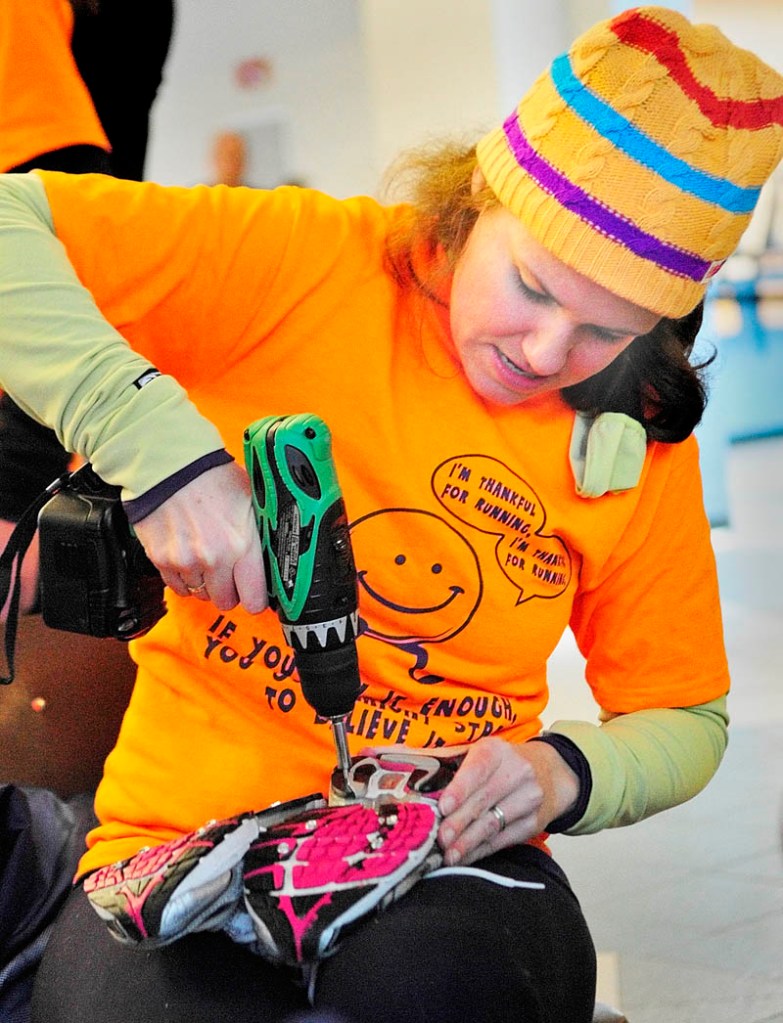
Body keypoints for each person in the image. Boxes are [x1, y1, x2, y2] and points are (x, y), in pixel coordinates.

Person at [0, 7, 781, 1021]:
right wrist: (158, 450)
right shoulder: (309, 262)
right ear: (476, 199)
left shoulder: (631, 432)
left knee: (442, 991)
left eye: (605, 331)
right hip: (177, 832)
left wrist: (561, 771)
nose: (547, 353)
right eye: (531, 286)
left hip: (447, 856)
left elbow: (686, 716)